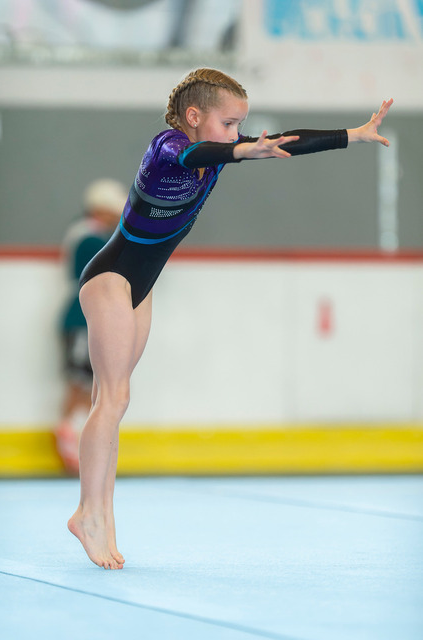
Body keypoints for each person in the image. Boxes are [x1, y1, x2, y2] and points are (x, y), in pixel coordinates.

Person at [67, 67, 393, 570]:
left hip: (139, 286)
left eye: (240, 124)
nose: (236, 133)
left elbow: (286, 141)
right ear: (193, 116)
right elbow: (197, 155)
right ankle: (87, 514)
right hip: (110, 277)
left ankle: (102, 515)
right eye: (228, 123)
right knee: (111, 398)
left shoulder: (219, 149)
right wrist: (242, 151)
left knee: (113, 401)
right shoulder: (168, 147)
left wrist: (353, 134)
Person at [56, 179, 128, 475]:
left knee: (91, 382)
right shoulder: (89, 237)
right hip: (82, 318)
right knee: (80, 382)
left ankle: (82, 442)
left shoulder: (86, 234)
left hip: (88, 317)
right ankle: (70, 441)